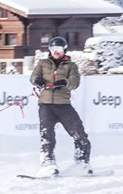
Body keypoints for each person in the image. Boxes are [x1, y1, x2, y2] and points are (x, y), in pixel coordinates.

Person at [29, 36, 92, 177]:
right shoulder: (43, 63)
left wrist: (65, 82)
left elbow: (75, 82)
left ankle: (82, 163)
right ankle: (48, 163)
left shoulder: (71, 66)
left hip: (63, 105)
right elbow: (33, 77)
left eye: (59, 49)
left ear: (64, 50)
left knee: (79, 133)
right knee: (46, 135)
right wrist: (37, 80)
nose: (56, 52)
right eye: (53, 49)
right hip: (46, 105)